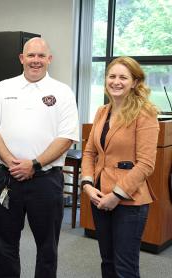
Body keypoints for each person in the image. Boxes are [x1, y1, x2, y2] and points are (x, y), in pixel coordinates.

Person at [0, 37, 79, 278]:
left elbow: (66, 137)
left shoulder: (62, 92)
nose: (36, 60)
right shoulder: (2, 88)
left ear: (49, 59)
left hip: (46, 181)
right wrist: (12, 162)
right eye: (31, 55)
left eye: (41, 56)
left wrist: (34, 164)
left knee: (47, 248)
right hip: (8, 179)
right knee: (5, 245)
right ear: (21, 58)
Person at [81, 56, 159, 278]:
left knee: (125, 268)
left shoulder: (145, 113)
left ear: (134, 82)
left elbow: (145, 164)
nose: (116, 81)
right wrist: (87, 184)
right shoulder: (101, 112)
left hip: (129, 201)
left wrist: (116, 195)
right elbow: (89, 152)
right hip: (98, 195)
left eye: (123, 77)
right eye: (112, 76)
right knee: (107, 262)